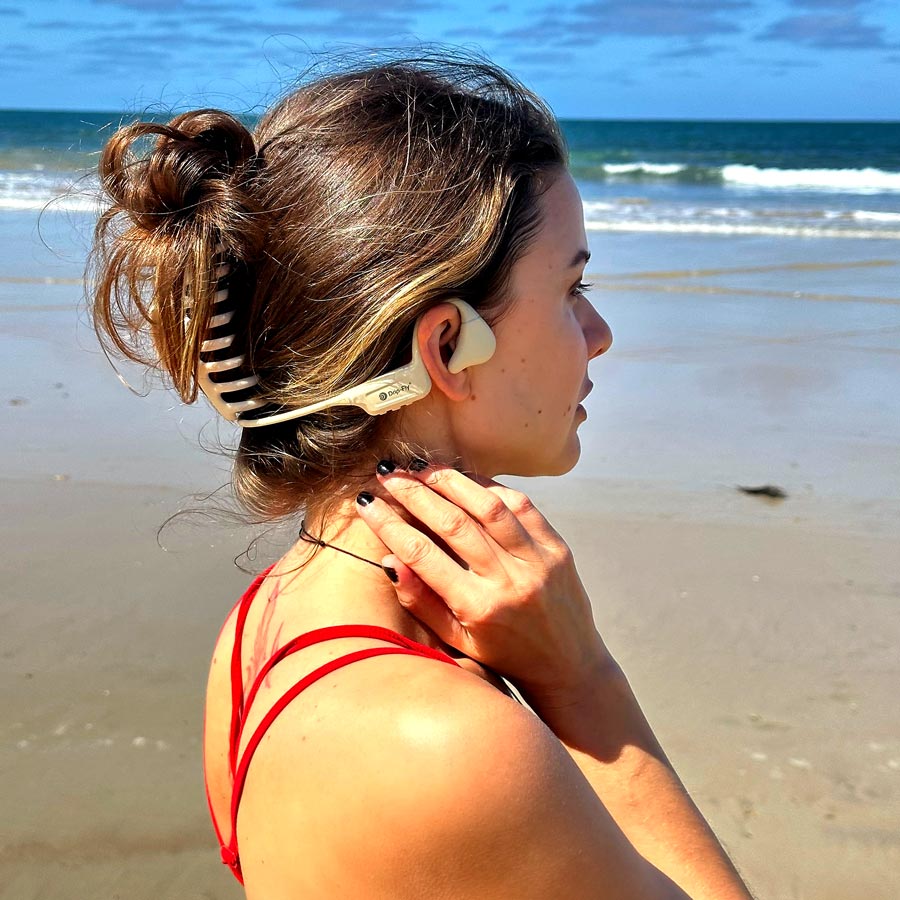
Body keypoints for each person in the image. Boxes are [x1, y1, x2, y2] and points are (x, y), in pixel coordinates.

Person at [89, 54, 753, 900]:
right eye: (572, 287)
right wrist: (582, 681)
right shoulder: (443, 740)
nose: (599, 333)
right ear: (446, 348)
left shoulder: (270, 616)